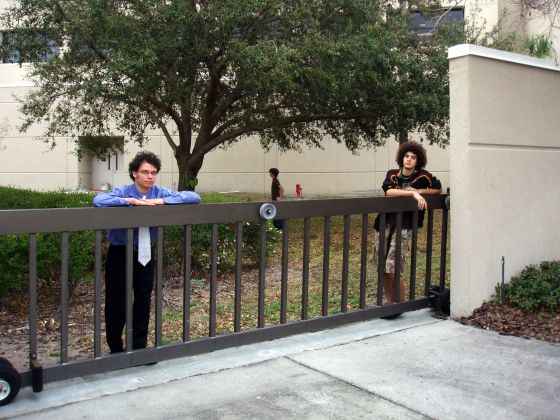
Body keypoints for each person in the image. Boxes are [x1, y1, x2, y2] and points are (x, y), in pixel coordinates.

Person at [93, 151, 200, 353]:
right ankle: (115, 350)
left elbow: (194, 196)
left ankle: (138, 349)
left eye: (153, 172)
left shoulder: (158, 193)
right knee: (116, 302)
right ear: (134, 173)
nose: (150, 177)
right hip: (120, 253)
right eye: (145, 172)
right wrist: (129, 201)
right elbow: (99, 200)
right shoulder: (123, 190)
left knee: (143, 301)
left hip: (144, 255)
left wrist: (160, 202)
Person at [374, 141, 441, 307]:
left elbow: (437, 189)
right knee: (382, 266)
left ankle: (400, 305)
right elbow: (389, 191)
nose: (409, 160)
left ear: (417, 161)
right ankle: (390, 305)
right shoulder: (393, 174)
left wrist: (419, 191)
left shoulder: (422, 177)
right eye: (406, 156)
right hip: (384, 224)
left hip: (403, 226)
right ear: (401, 158)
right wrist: (411, 195)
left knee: (395, 267)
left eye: (413, 157)